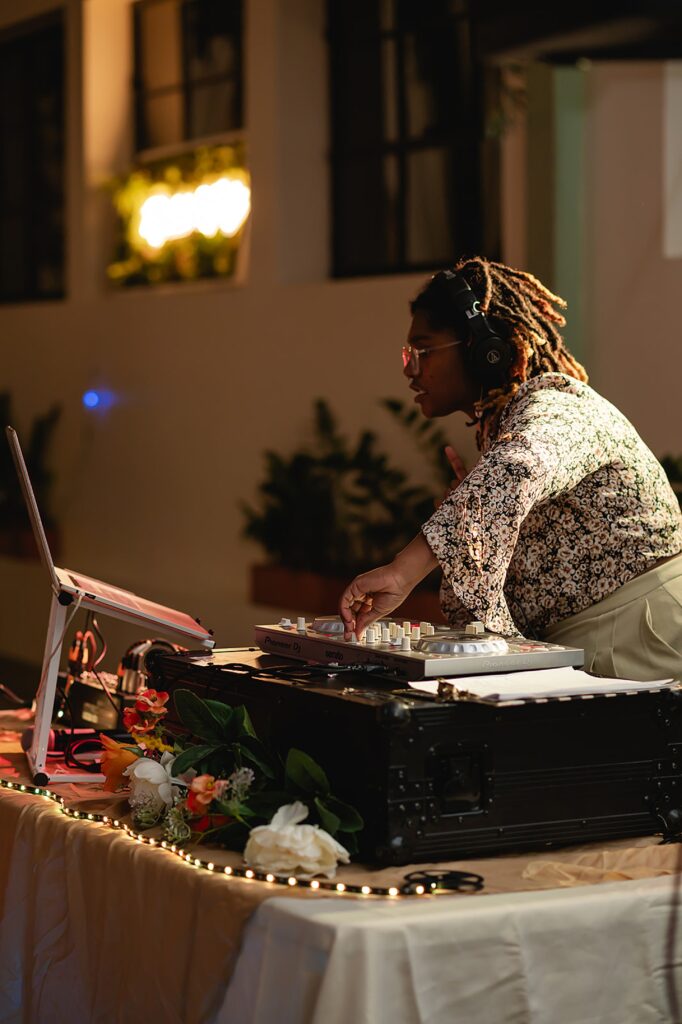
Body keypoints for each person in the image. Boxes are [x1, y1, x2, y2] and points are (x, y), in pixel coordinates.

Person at [338, 256, 682, 680]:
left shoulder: (558, 406)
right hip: (599, 640)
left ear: (486, 349)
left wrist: (403, 570)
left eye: (423, 351)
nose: (410, 369)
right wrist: (472, 512)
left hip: (635, 635)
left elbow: (516, 470)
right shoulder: (501, 428)